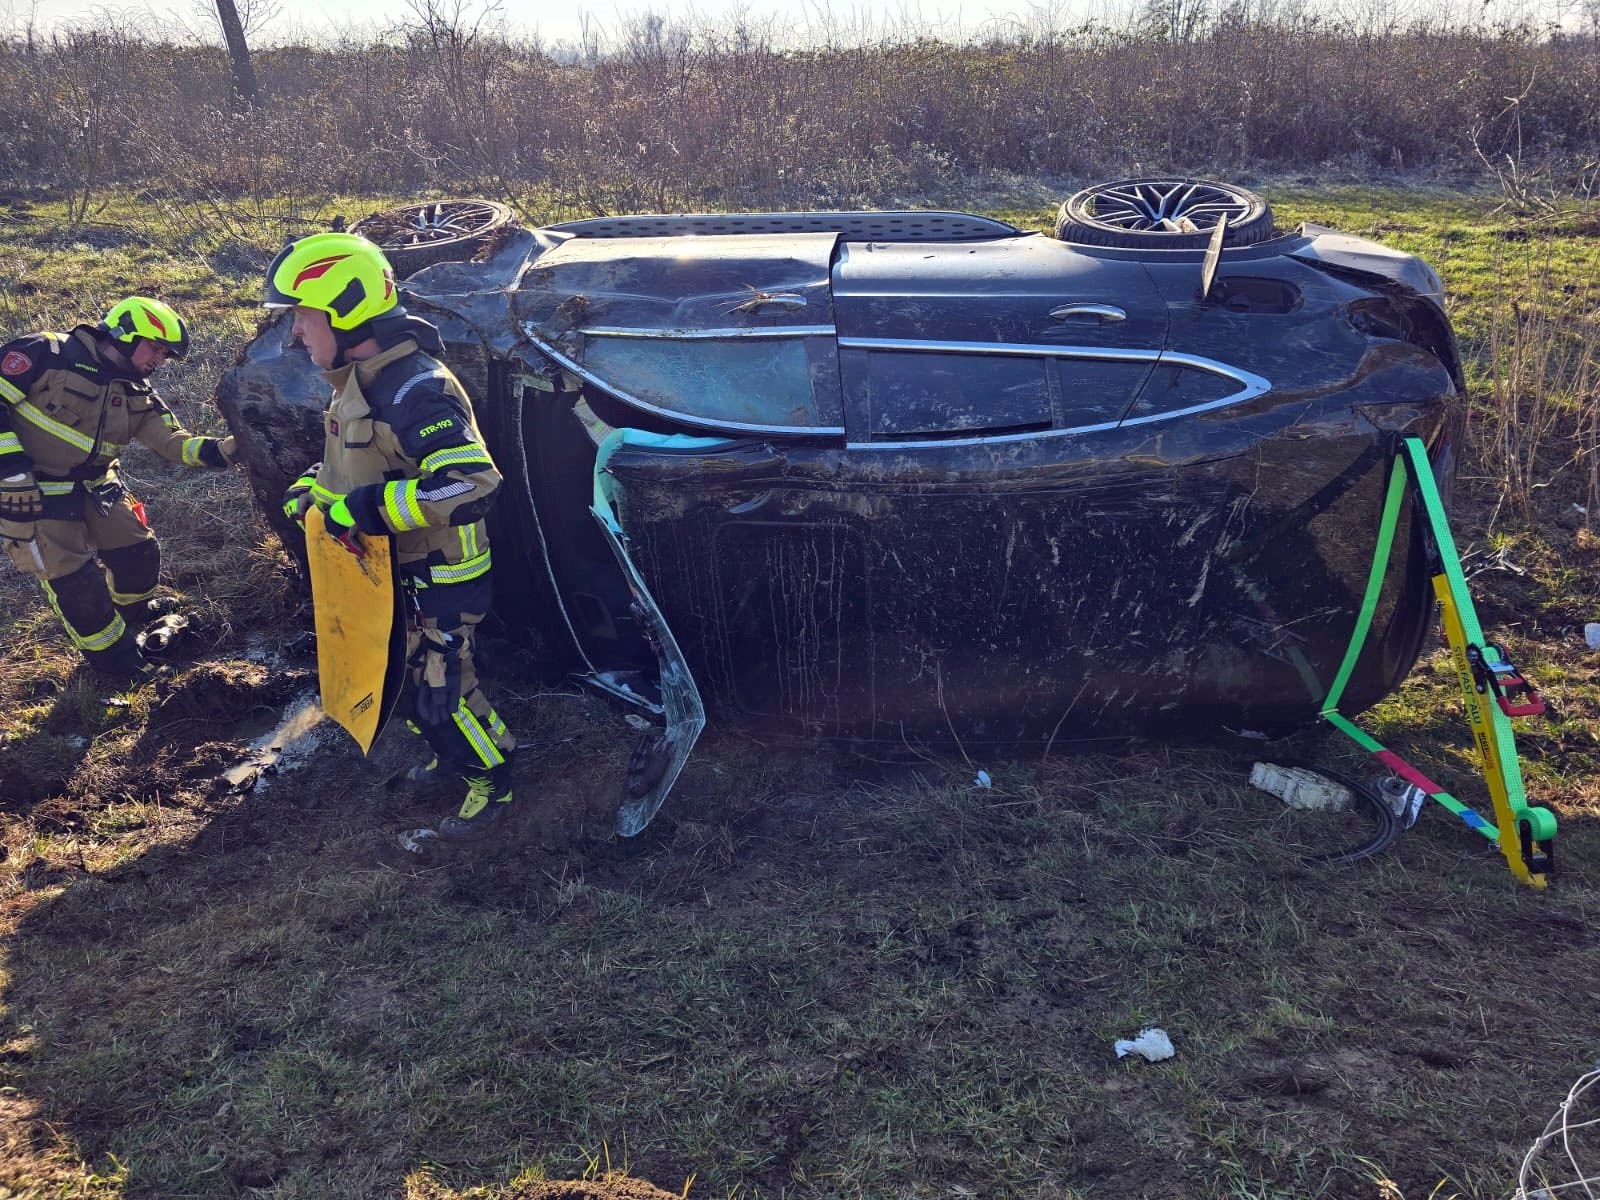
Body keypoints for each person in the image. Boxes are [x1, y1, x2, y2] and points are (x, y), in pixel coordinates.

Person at [264, 232, 517, 842]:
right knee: (397, 685)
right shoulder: (356, 381)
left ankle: (494, 782)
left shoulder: (414, 389)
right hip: (388, 575)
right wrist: (314, 494)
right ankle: (450, 760)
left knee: (443, 695)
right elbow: (350, 471)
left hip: (443, 577)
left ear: (346, 311)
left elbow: (473, 485)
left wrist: (369, 511)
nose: (296, 334)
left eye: (302, 317)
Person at [0, 297, 236, 683]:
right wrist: (10, 473)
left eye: (166, 354)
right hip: (31, 489)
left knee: (139, 555)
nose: (160, 359)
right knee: (77, 582)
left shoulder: (136, 391)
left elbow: (173, 441)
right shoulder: (46, 352)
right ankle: (113, 662)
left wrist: (224, 450)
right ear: (125, 334)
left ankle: (133, 611)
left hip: (98, 486)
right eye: (156, 348)